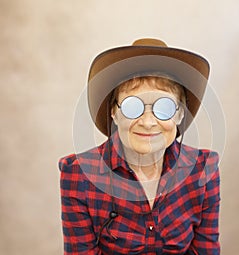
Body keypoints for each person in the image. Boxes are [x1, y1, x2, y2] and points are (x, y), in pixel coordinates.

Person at [59, 38, 221, 255]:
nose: (147, 122)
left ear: (180, 114)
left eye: (164, 107)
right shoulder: (78, 174)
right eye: (131, 106)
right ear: (113, 112)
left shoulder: (204, 170)